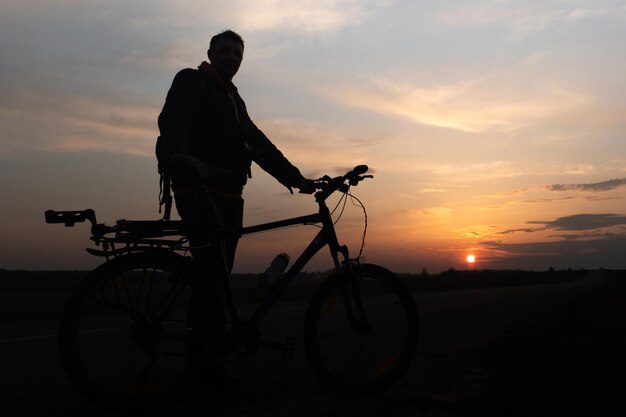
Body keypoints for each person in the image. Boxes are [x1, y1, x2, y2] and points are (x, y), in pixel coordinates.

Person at [157, 30, 313, 315]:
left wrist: (295, 178)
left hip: (230, 192)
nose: (231, 57)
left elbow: (258, 142)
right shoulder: (192, 80)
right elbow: (174, 117)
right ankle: (201, 343)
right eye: (224, 51)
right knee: (210, 270)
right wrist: (181, 155)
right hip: (198, 188)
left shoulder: (235, 102)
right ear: (210, 55)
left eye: (237, 53)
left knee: (220, 272)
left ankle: (210, 338)